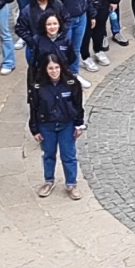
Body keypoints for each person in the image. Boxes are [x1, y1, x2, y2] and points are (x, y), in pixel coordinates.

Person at [30, 54, 86, 199]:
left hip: (66, 125)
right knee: (48, 155)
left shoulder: (72, 83)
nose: (54, 71)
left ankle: (71, 184)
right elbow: (34, 108)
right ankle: (48, 181)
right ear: (45, 69)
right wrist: (34, 128)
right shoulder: (38, 85)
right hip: (46, 125)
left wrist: (79, 125)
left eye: (56, 67)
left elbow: (78, 105)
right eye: (50, 68)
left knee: (68, 155)